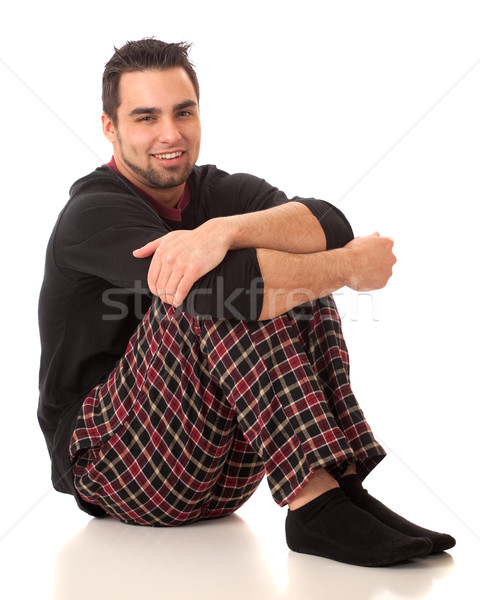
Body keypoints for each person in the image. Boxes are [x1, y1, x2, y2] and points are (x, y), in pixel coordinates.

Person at [38, 38, 455, 568]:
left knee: (285, 279)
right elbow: (227, 285)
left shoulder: (221, 193)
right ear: (109, 128)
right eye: (146, 117)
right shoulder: (92, 212)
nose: (170, 134)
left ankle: (342, 489)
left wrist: (224, 229)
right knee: (216, 290)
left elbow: (324, 223)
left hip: (225, 471)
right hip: (114, 467)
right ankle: (314, 504)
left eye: (182, 111)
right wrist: (349, 267)